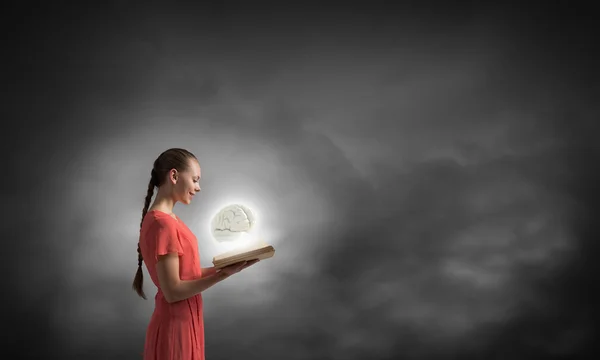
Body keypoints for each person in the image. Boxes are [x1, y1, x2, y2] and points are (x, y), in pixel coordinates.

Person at [132, 148, 258, 360]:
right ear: (174, 176)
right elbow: (173, 291)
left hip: (184, 321)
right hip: (175, 327)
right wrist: (221, 276)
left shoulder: (167, 220)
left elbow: (184, 275)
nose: (198, 188)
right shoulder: (163, 224)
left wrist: (225, 269)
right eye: (195, 179)